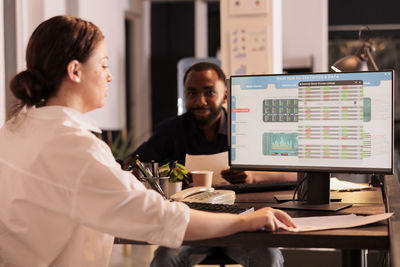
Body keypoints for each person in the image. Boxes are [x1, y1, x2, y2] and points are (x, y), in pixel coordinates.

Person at [0, 16, 296, 267]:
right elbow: (159, 216)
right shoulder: (76, 146)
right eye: (103, 65)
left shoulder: (13, 130)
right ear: (75, 71)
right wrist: (244, 220)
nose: (110, 76)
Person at [125, 62, 296, 267]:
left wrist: (253, 176)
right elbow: (134, 163)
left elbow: (295, 174)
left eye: (209, 93)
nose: (200, 101)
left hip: (243, 221)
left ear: (225, 96)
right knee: (164, 259)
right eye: (192, 93)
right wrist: (167, 176)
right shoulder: (171, 131)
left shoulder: (245, 127)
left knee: (269, 257)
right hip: (192, 223)